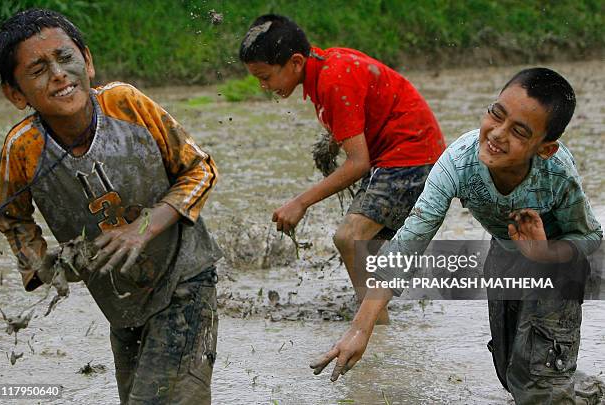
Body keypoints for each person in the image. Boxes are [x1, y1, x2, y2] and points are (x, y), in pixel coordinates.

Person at [310, 67, 603, 404]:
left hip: (557, 267)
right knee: (511, 376)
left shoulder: (556, 173)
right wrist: (360, 329)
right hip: (505, 258)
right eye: (497, 114)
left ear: (545, 149)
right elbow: (410, 241)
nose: (497, 134)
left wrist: (544, 253)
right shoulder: (459, 163)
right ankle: (586, 393)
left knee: (538, 387)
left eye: (519, 131)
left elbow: (589, 238)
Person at [0, 9, 222, 404]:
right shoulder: (24, 150)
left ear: (88, 60)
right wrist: (41, 264)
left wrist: (146, 225)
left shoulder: (126, 104)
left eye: (66, 58)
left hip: (184, 277)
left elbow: (200, 169)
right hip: (119, 302)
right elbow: (8, 214)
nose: (59, 74)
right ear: (16, 94)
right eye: (38, 70)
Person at [239, 15, 446, 323]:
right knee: (368, 251)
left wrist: (300, 203)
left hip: (411, 158)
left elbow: (358, 163)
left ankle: (374, 329)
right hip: (409, 155)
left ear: (295, 62)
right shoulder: (325, 64)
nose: (263, 86)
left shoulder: (333, 80)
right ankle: (380, 319)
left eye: (266, 77)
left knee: (349, 238)